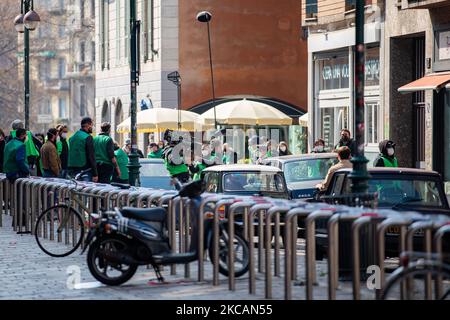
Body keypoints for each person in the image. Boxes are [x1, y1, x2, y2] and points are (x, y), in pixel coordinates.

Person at [68, 117, 98, 182]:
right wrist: (95, 174)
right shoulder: (88, 137)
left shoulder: (72, 137)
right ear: (87, 125)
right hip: (85, 170)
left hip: (72, 170)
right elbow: (91, 156)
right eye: (91, 125)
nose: (92, 127)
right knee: (85, 191)